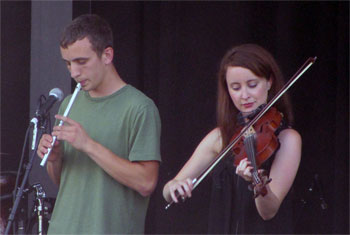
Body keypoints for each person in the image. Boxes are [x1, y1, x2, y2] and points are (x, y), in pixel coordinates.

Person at [37, 14, 161, 234]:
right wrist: (54, 160)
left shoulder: (140, 108)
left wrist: (88, 145)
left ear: (107, 55)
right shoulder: (68, 104)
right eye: (68, 63)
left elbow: (146, 183)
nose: (74, 73)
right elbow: (63, 182)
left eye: (82, 62)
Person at [163, 44, 301, 234]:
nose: (244, 95)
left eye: (252, 85)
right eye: (235, 88)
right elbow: (168, 191)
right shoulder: (220, 138)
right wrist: (174, 187)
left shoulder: (288, 139)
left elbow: (268, 211)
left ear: (269, 82)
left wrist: (256, 183)